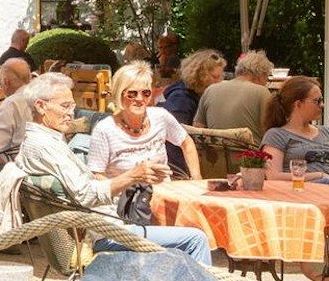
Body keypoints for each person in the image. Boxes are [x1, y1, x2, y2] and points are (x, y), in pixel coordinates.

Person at [13, 72, 213, 259]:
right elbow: (87, 194)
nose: (71, 113)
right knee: (196, 238)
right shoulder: (45, 146)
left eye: (146, 93)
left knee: (179, 225)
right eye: (65, 106)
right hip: (105, 232)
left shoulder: (43, 141)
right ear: (41, 107)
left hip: (107, 222)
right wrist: (134, 175)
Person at [88, 62, 202, 180]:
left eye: (145, 93)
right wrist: (130, 179)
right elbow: (97, 176)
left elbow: (186, 143)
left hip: (163, 193)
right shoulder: (105, 130)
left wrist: (196, 177)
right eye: (132, 94)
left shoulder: (160, 117)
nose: (139, 99)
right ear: (119, 94)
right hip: (126, 197)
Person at [260, 76, 329, 178]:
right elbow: (273, 176)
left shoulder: (327, 132)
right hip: (301, 189)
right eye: (317, 101)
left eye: (322, 100)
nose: (322, 105)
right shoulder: (276, 135)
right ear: (298, 104)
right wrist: (319, 176)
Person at [194, 50, 273, 135]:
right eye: (267, 78)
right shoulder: (261, 92)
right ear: (261, 76)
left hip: (214, 147)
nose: (266, 82)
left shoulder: (210, 90)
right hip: (250, 147)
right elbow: (270, 130)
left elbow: (197, 127)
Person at [0, 58, 36, 160]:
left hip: (16, 164)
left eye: (0, 83)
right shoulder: (38, 95)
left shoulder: (11, 103)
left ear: (6, 82)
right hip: (36, 158)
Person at [161, 49, 223, 125]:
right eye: (215, 77)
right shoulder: (180, 98)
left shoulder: (200, 94)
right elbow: (173, 130)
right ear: (200, 76)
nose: (219, 81)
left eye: (221, 77)